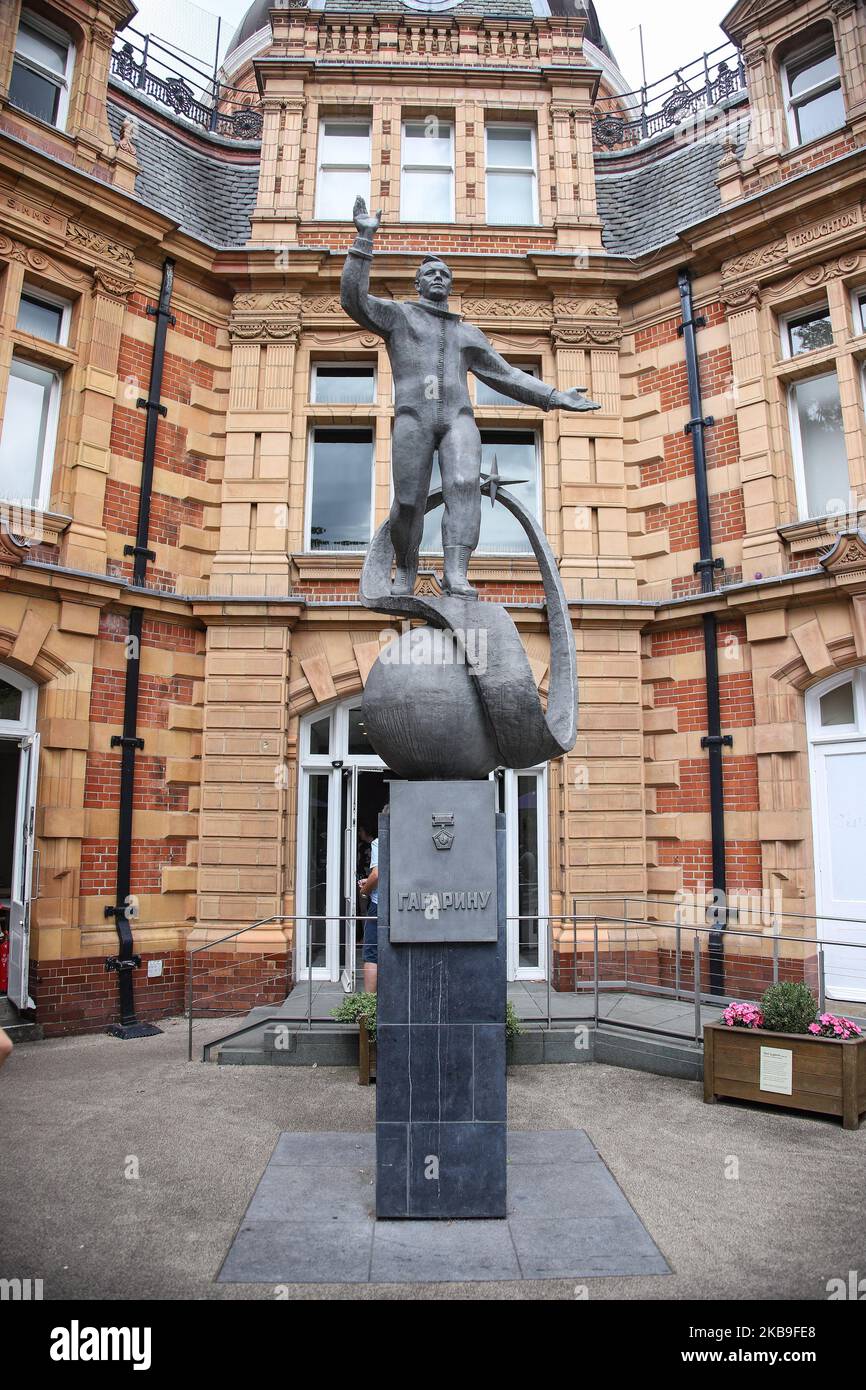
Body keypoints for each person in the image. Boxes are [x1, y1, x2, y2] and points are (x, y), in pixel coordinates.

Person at [341, 196, 600, 598]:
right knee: (409, 502)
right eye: (431, 273)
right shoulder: (399, 316)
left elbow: (507, 375)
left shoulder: (467, 334)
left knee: (463, 484)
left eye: (445, 273)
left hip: (459, 421)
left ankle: (456, 572)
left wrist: (555, 396)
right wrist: (363, 241)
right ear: (419, 284)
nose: (439, 278)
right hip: (413, 417)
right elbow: (353, 301)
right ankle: (407, 569)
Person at [358, 826, 379, 993]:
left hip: (379, 905)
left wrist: (365, 891)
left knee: (371, 953)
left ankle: (369, 1004)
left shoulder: (379, 843)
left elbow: (377, 874)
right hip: (403, 902)